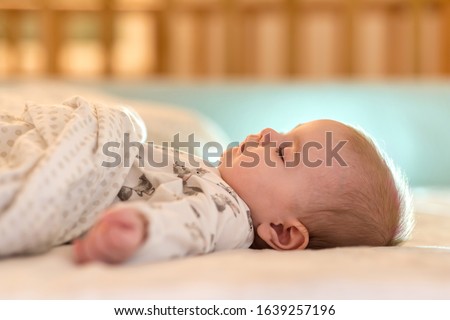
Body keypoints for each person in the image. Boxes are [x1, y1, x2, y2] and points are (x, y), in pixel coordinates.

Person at [73, 119, 414, 264]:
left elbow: (186, 226)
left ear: (282, 232)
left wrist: (140, 231)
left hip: (76, 180)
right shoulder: (216, 175)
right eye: (286, 132)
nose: (268, 133)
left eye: (283, 152)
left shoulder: (230, 214)